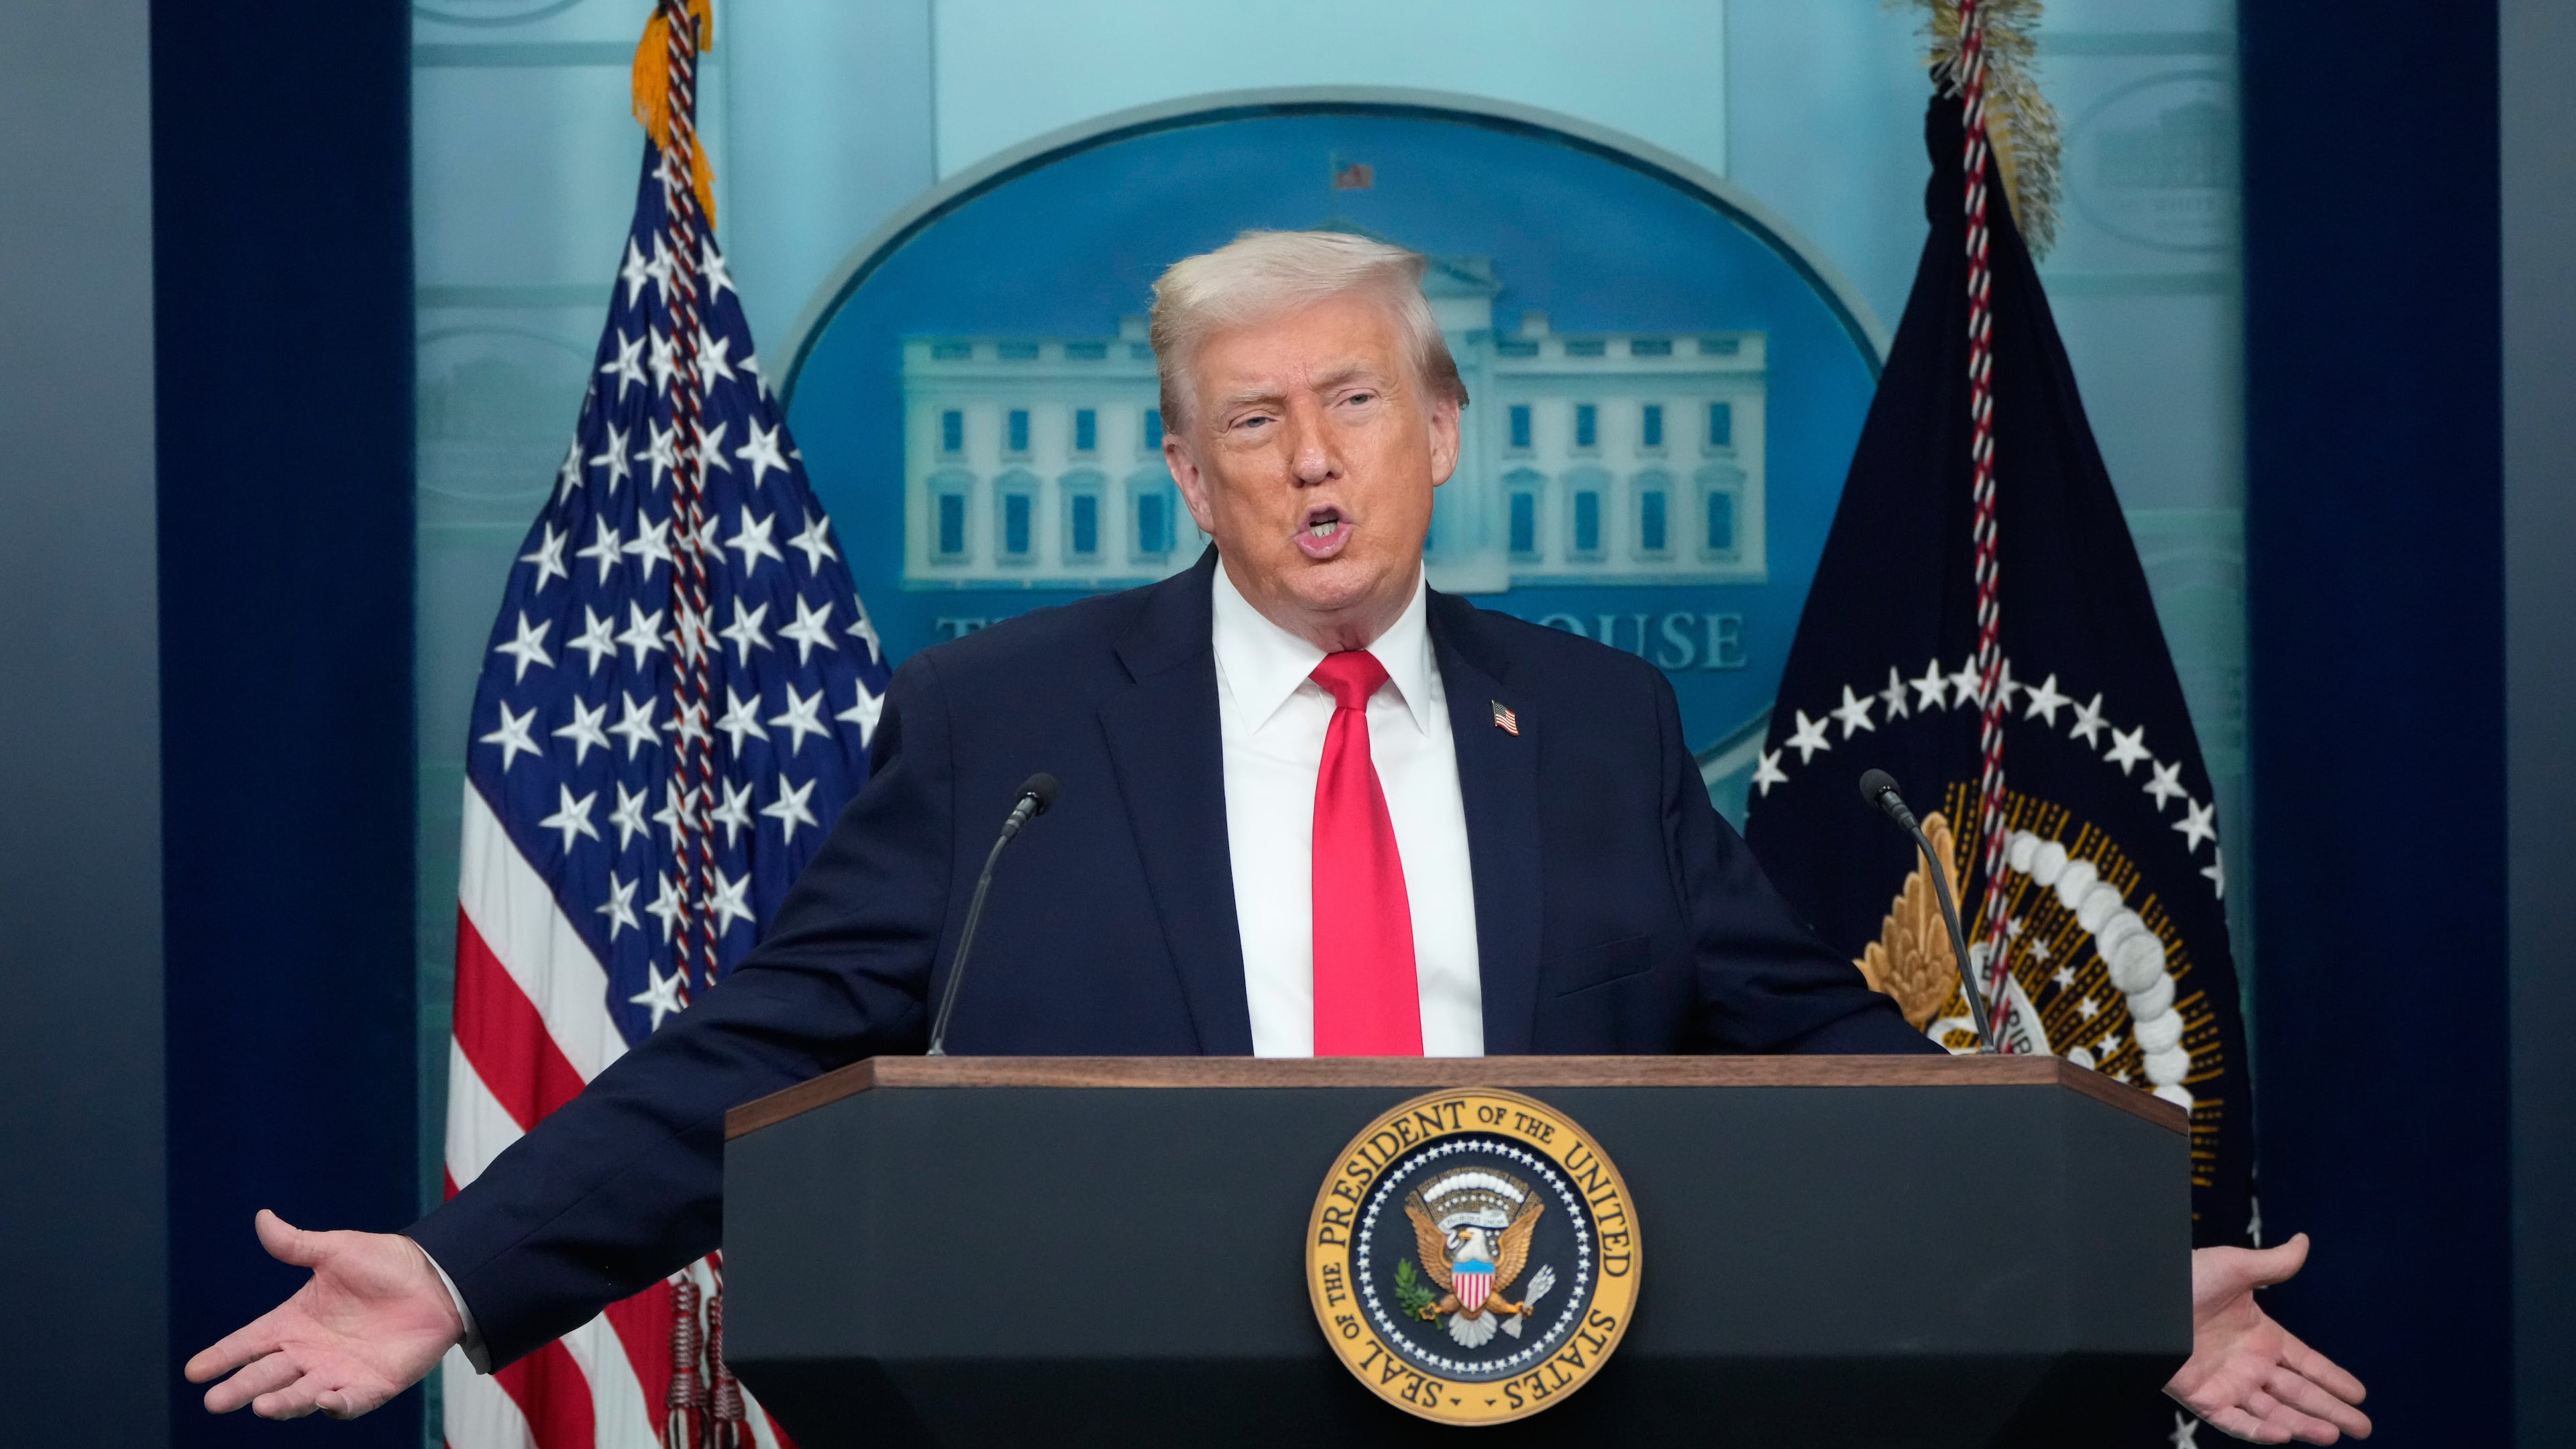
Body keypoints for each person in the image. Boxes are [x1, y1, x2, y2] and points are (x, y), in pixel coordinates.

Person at [187, 231, 2372, 1444]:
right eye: (1253, 419)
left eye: (1355, 403)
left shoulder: (1591, 725)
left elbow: (1827, 1058)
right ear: (1184, 468)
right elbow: (765, 1045)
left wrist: (2114, 1280)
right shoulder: (1006, 728)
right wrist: (466, 1270)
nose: (1313, 460)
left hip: (1543, 1406)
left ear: (1442, 432)